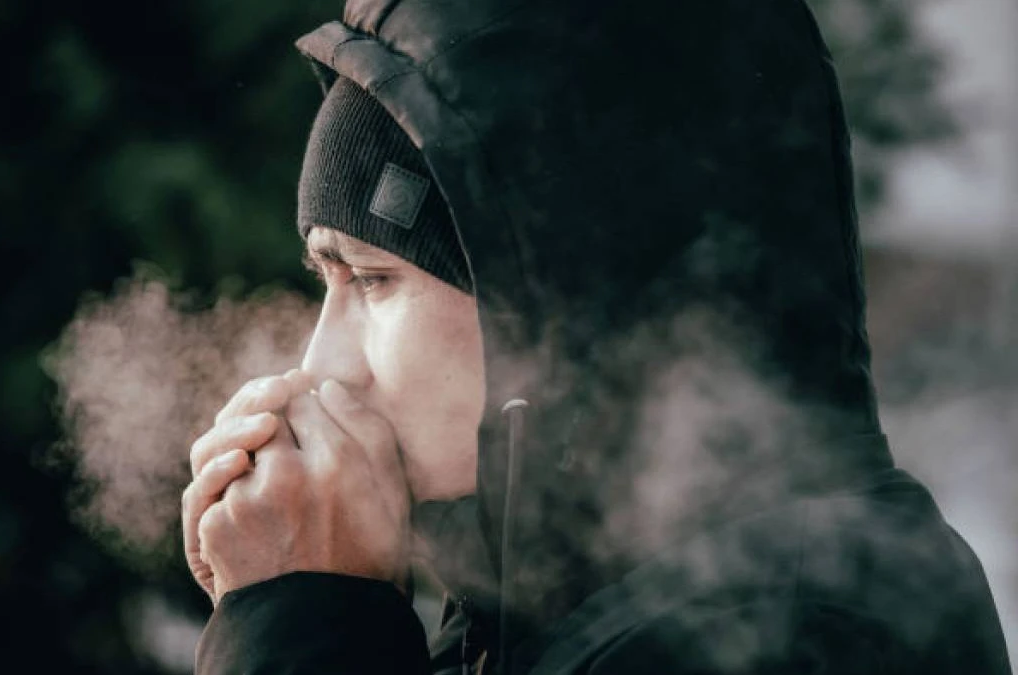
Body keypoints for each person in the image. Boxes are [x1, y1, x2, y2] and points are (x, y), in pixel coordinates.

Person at [180, 0, 1014, 673]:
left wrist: (306, 621)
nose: (322, 365)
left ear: (567, 296)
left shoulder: (790, 631)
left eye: (372, 280)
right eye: (325, 279)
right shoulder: (545, 612)